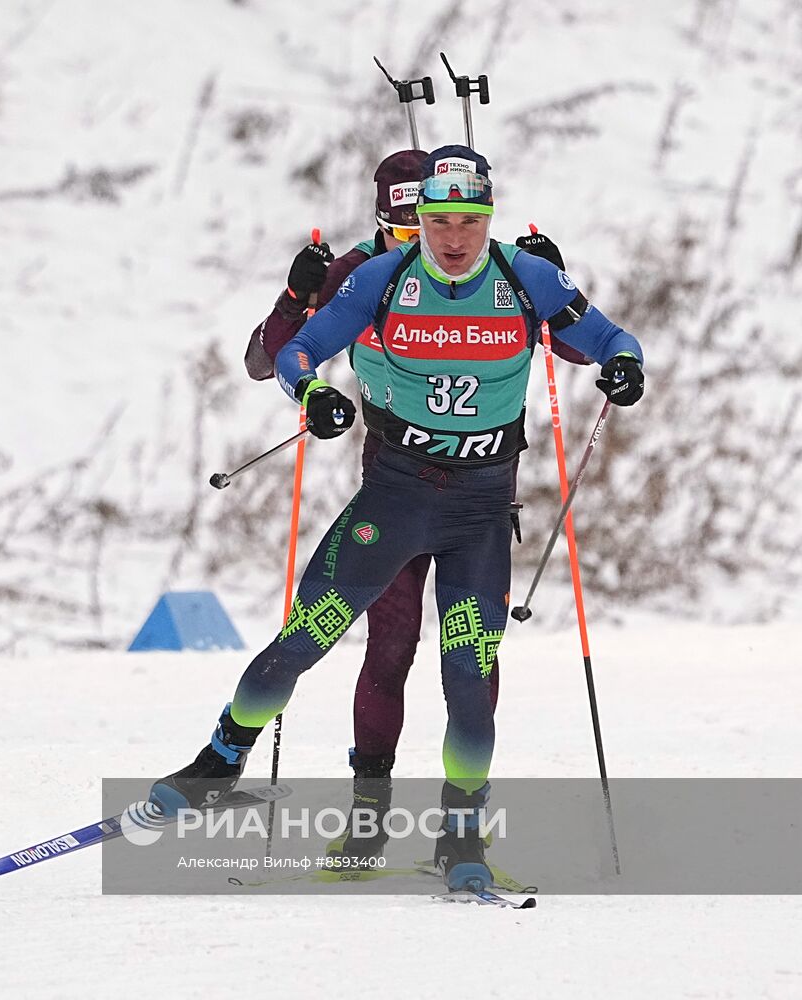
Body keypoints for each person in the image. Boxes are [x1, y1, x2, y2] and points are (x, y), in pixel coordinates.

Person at [155, 145, 646, 891]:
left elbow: (611, 338)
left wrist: (624, 367)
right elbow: (298, 355)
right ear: (415, 220)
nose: (451, 238)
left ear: (489, 221)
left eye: (467, 222)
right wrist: (311, 396)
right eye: (436, 221)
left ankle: (460, 836)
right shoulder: (384, 279)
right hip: (395, 498)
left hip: (480, 512)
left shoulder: (528, 278)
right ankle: (223, 758)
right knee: (304, 639)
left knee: (469, 679)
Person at [242, 151, 591, 865]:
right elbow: (269, 357)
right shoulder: (366, 271)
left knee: (471, 660)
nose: (424, 241)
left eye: (423, 223)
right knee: (391, 647)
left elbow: (573, 340)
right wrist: (291, 295)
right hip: (396, 484)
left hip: (480, 491)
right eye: (400, 226)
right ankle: (368, 822)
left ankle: (461, 827)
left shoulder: (482, 264)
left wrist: (560, 285)